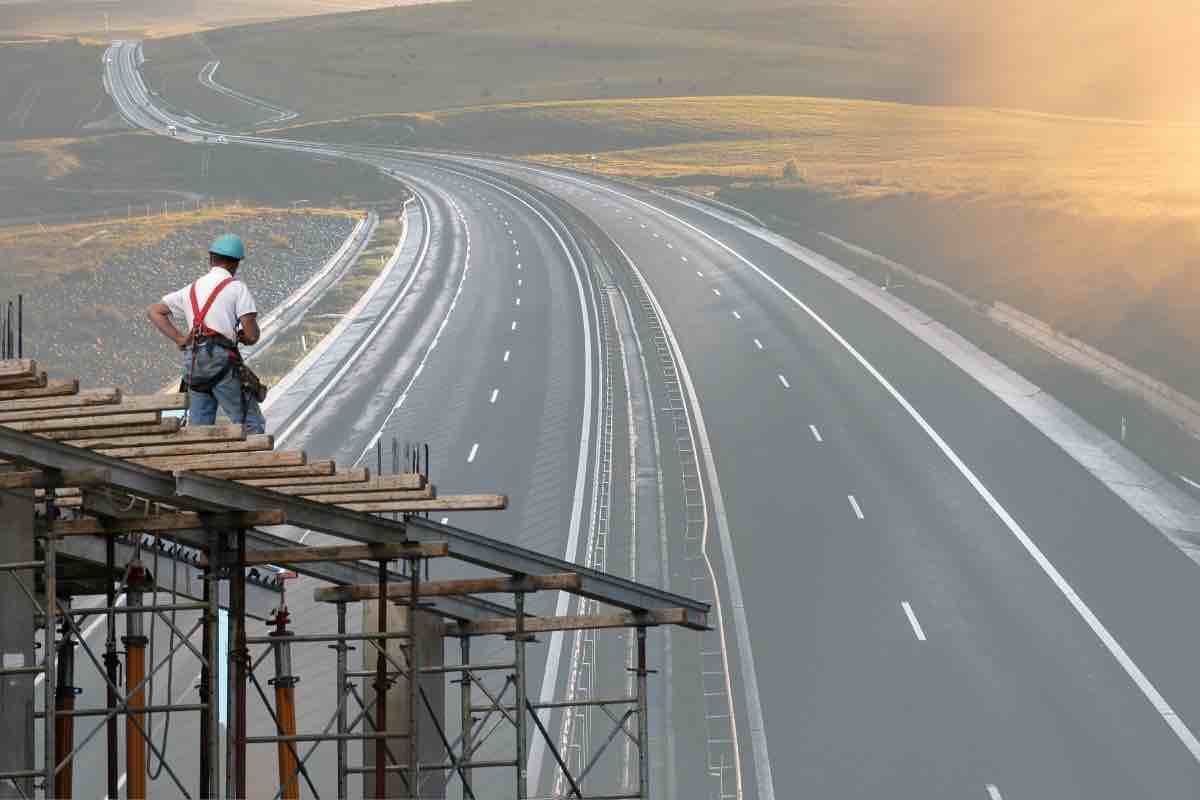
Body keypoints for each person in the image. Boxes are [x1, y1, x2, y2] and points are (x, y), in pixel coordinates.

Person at [146, 233, 266, 433]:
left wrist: (181, 339)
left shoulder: (191, 289)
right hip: (222, 363)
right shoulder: (237, 288)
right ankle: (257, 461)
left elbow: (154, 311)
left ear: (211, 259)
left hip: (195, 364)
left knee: (199, 428)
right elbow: (252, 336)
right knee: (250, 422)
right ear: (236, 264)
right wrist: (244, 336)